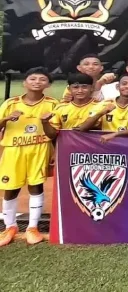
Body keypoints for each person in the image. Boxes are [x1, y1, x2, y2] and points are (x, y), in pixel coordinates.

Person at [0, 68, 58, 246]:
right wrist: (6, 119)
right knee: (10, 188)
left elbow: (55, 133)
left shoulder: (53, 104)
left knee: (36, 186)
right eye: (32, 78)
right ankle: (10, 226)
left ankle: (32, 227)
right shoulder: (10, 103)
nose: (37, 82)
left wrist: (45, 123)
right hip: (13, 149)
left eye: (42, 79)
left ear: (48, 84)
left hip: (39, 148)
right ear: (24, 83)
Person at [78, 73, 128, 143]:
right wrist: (101, 113)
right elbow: (83, 128)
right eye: (124, 84)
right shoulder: (105, 103)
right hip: (109, 145)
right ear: (117, 86)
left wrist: (115, 134)